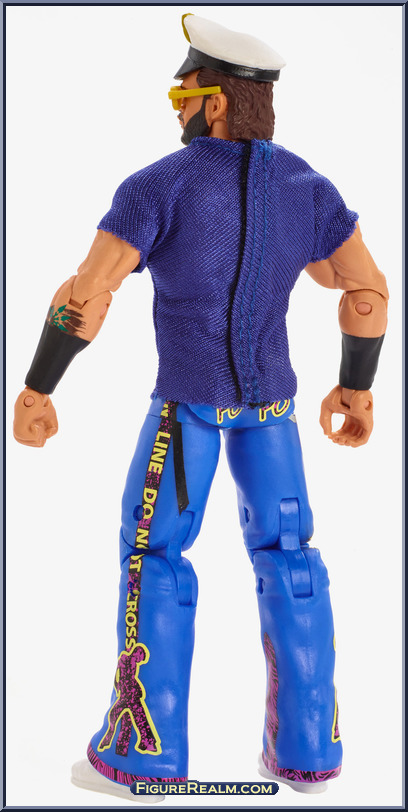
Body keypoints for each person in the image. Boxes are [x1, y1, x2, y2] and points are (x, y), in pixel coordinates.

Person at [13, 12, 388, 801]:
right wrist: (357, 384)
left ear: (214, 103)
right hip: (274, 415)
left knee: (153, 556)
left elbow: (87, 295)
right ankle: (309, 749)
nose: (175, 108)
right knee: (290, 557)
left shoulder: (160, 185)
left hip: (187, 412)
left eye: (180, 94)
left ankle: (144, 752)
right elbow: (365, 291)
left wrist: (40, 385)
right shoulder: (307, 188)